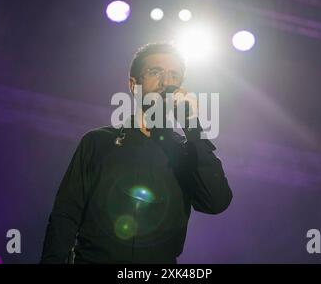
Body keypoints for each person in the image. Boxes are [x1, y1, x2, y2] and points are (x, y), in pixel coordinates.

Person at [40, 42, 232, 264]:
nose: (166, 82)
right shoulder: (98, 142)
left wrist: (192, 127)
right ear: (134, 85)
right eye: (155, 72)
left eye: (174, 76)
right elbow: (65, 215)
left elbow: (216, 202)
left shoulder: (186, 152)